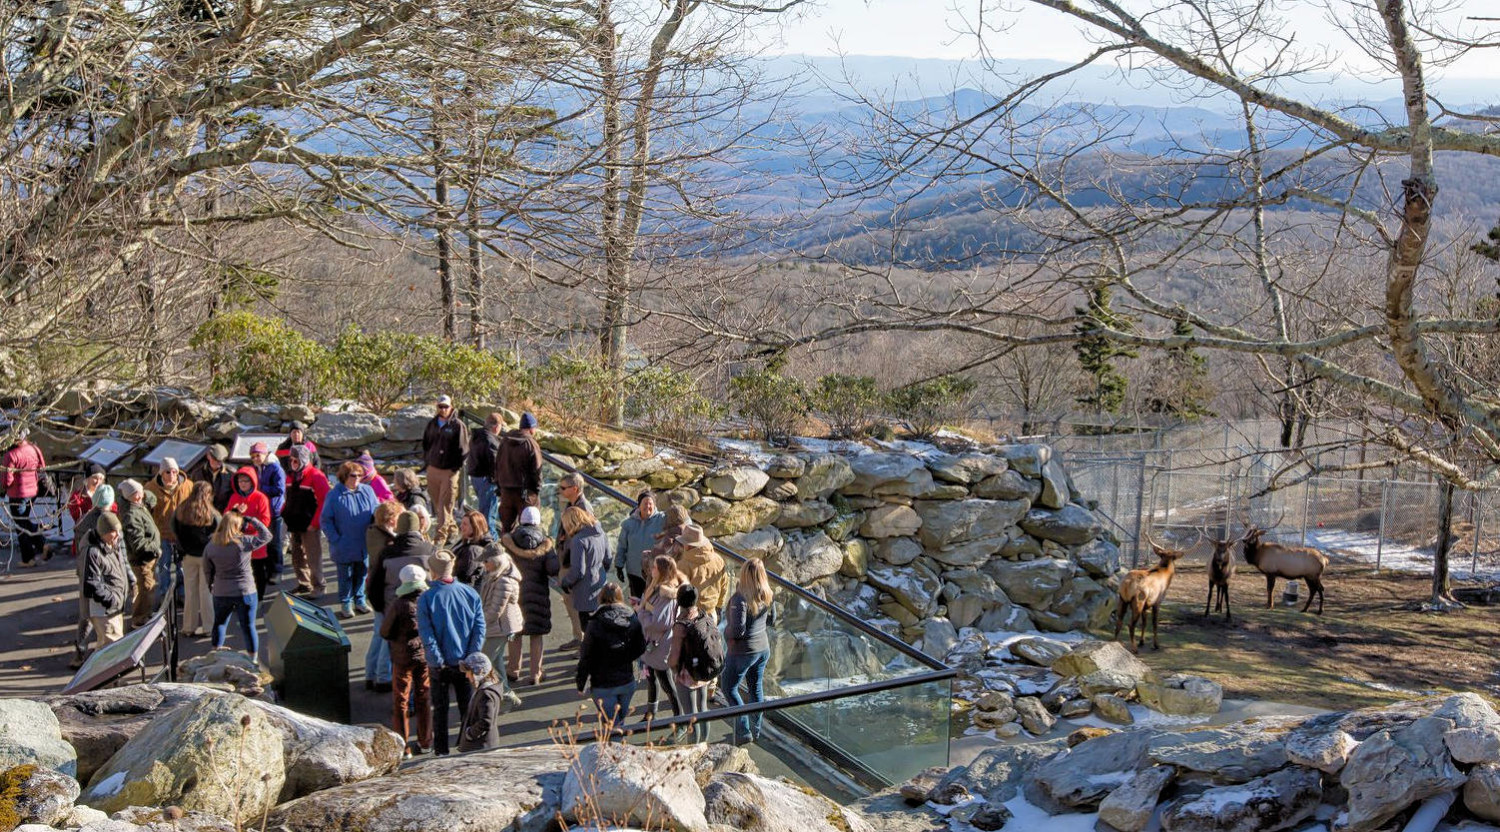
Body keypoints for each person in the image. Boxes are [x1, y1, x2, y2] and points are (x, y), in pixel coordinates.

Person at [417, 550, 486, 756]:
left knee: (440, 710)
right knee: (468, 709)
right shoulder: (470, 593)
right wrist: (471, 656)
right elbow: (479, 628)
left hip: (441, 666)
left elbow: (427, 635)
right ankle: (466, 748)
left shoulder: (426, 598)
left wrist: (437, 661)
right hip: (466, 663)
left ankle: (441, 751)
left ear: (432, 571)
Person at [368, 509, 436, 690]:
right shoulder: (429, 549)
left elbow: (374, 585)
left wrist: (381, 608)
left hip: (393, 607)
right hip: (424, 608)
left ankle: (385, 680)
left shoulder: (387, 553)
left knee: (393, 648)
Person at [203, 507, 272, 656]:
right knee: (248, 627)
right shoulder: (244, 542)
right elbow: (267, 535)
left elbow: (207, 570)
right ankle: (252, 660)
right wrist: (252, 520)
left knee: (220, 624)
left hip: (221, 591)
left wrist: (211, 585)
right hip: (245, 590)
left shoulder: (211, 545)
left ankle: (215, 654)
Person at [380, 563, 433, 758]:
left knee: (401, 700)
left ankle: (403, 746)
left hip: (402, 657)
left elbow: (385, 631)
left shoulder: (398, 604)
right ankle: (426, 741)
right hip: (424, 655)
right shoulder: (427, 600)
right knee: (424, 697)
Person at [721, 557, 776, 744]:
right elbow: (772, 619)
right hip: (763, 648)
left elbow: (737, 631)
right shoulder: (768, 593)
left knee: (729, 688)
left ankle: (743, 731)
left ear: (744, 574)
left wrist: (724, 632)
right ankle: (756, 728)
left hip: (742, 652)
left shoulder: (740, 598)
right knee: (755, 687)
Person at [576, 582, 645, 726]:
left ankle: (614, 747)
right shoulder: (632, 617)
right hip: (627, 681)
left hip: (603, 684)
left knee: (612, 726)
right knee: (619, 722)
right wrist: (625, 657)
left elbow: (586, 656)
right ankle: (619, 746)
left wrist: (581, 683)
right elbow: (640, 646)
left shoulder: (595, 622)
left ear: (600, 598)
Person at [501, 505, 556, 686]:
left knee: (515, 633)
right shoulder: (545, 544)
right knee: (536, 635)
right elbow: (553, 569)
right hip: (538, 594)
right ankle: (535, 673)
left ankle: (513, 670)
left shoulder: (508, 542)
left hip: (515, 594)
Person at [321, 461, 379, 620]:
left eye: (360, 475)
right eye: (354, 475)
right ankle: (346, 603)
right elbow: (326, 521)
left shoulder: (367, 491)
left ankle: (360, 600)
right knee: (345, 575)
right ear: (345, 476)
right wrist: (335, 539)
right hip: (344, 545)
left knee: (361, 573)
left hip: (364, 543)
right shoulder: (334, 495)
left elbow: (377, 512)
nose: (358, 478)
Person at [668, 583, 722, 743]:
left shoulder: (681, 626)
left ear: (679, 601)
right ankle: (703, 745)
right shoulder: (703, 615)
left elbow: (674, 657)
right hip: (704, 669)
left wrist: (672, 667)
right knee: (703, 709)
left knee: (691, 715)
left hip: (688, 675)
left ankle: (693, 748)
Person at [71, 484, 117, 667]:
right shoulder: (107, 521)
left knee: (86, 615)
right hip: (101, 573)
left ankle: (81, 651)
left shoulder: (84, 520)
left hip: (85, 573)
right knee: (100, 615)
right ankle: (100, 656)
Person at [637, 554, 685, 719]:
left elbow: (659, 622)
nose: (651, 570)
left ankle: (679, 718)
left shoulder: (666, 595)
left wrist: (640, 612)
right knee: (651, 678)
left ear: (662, 571)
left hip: (660, 645)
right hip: (651, 644)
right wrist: (641, 605)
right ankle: (651, 713)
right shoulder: (656, 587)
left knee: (667, 683)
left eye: (655, 567)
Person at [172, 481, 221, 637]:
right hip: (206, 557)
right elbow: (219, 532)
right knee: (206, 592)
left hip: (188, 556)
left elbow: (174, 529)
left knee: (190, 592)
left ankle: (188, 627)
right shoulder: (211, 513)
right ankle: (208, 627)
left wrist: (183, 548)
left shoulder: (181, 510)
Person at [282, 446, 330, 598]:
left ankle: (319, 586)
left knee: (313, 557)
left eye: (296, 460)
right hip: (294, 523)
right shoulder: (291, 476)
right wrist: (283, 512)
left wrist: (315, 523)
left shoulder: (316, 476)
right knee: (297, 555)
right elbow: (289, 498)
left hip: (309, 525)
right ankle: (304, 583)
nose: (293, 463)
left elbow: (324, 502)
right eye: (291, 460)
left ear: (304, 459)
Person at [421, 395, 470, 542]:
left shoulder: (458, 425)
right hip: (433, 468)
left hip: (449, 471)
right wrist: (428, 462)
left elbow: (464, 449)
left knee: (445, 505)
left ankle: (439, 539)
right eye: (440, 406)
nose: (443, 409)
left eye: (445, 406)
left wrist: (456, 467)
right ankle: (453, 529)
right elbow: (426, 443)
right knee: (437, 504)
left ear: (451, 407)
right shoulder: (432, 424)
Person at [146, 457, 192, 606]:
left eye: (174, 472)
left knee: (182, 566)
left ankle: (182, 594)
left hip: (182, 534)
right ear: (161, 473)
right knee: (163, 566)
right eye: (168, 472)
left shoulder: (188, 486)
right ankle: (165, 596)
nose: (172, 476)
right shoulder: (150, 488)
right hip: (162, 534)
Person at [559, 506, 610, 637]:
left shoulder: (578, 540)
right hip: (601, 585)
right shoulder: (600, 533)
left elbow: (578, 571)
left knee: (588, 630)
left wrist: (565, 582)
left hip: (585, 592)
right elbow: (608, 558)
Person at [117, 479, 162, 628]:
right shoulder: (131, 515)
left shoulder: (137, 506)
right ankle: (140, 619)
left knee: (148, 587)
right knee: (146, 589)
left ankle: (146, 614)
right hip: (141, 560)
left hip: (146, 558)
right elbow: (138, 543)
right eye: (138, 493)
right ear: (132, 496)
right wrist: (155, 548)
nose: (142, 494)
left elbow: (152, 499)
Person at [224, 466, 273, 600]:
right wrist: (236, 515)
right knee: (239, 574)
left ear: (252, 481)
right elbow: (226, 517)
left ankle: (259, 598)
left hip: (256, 544)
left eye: (246, 481)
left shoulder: (261, 498)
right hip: (237, 544)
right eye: (240, 481)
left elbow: (265, 520)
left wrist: (247, 525)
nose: (243, 484)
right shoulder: (234, 497)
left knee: (257, 573)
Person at [81, 512, 129, 650]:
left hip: (114, 608)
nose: (118, 535)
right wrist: (111, 600)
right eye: (114, 532)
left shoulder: (113, 545)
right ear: (104, 532)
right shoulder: (93, 552)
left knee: (107, 648)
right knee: (112, 649)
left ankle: (99, 671)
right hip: (105, 611)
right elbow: (91, 584)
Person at [3, 428, 48, 567]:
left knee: (20, 525)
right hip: (32, 491)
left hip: (17, 493)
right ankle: (42, 544)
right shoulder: (34, 449)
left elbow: (7, 480)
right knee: (24, 521)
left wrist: (6, 486)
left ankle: (28, 558)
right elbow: (42, 467)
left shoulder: (11, 455)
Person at [478, 545, 523, 681]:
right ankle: (506, 695)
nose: (483, 565)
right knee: (496, 664)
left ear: (496, 561)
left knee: (484, 662)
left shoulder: (503, 581)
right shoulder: (495, 575)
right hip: (498, 626)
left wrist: (477, 621)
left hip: (501, 628)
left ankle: (503, 695)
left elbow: (495, 611)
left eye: (486, 561)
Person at [248, 442, 287, 596]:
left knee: (275, 542)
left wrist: (259, 489)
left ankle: (276, 570)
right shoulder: (257, 468)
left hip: (273, 509)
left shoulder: (275, 467)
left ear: (265, 454)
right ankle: (267, 569)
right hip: (261, 509)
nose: (256, 458)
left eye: (258, 455)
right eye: (253, 456)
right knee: (264, 541)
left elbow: (279, 489)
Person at [493, 412, 542, 532]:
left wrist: (499, 486)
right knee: (529, 528)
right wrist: (536, 490)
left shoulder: (505, 441)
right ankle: (521, 550)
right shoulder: (531, 444)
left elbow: (497, 464)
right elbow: (537, 470)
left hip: (506, 492)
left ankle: (506, 548)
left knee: (506, 527)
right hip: (525, 493)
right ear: (531, 428)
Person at [458, 652, 514, 752]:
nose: (466, 675)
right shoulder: (487, 689)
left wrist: (470, 734)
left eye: (468, 672)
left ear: (478, 672)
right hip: (482, 744)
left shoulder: (486, 694)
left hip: (479, 746)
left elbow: (486, 721)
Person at [674, 525, 730, 621]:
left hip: (690, 616)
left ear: (687, 545)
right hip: (711, 614)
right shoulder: (718, 560)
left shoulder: (683, 565)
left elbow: (677, 592)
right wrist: (719, 606)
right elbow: (724, 585)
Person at [616, 490, 664, 599]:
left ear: (655, 505)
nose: (648, 506)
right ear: (639, 506)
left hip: (654, 573)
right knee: (637, 602)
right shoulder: (628, 524)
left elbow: (681, 517)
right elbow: (622, 546)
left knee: (652, 604)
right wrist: (619, 565)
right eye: (645, 503)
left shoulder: (661, 519)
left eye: (650, 503)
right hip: (634, 572)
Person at [466, 412, 502, 531]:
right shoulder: (491, 442)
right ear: (496, 427)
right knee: (488, 516)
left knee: (485, 511)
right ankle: (490, 542)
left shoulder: (476, 435)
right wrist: (499, 483)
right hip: (488, 481)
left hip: (476, 476)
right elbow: (495, 465)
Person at [67, 465, 108, 556]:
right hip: (85, 536)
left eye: (101, 479)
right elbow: (77, 517)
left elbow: (113, 510)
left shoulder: (106, 493)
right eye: (95, 478)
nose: (98, 482)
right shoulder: (77, 496)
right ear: (87, 479)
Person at [452, 509, 498, 588]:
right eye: (462, 523)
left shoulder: (474, 550)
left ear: (475, 526)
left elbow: (465, 576)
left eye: (465, 524)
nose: (461, 526)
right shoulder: (466, 540)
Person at [196, 445, 235, 511]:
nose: (219, 463)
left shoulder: (231, 474)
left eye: (221, 460)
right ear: (208, 456)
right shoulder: (198, 473)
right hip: (203, 512)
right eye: (215, 459)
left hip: (223, 513)